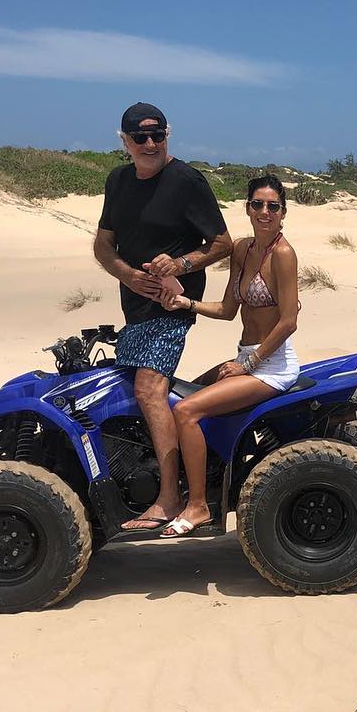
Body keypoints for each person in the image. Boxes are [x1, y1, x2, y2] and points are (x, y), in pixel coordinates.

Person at [92, 102, 233, 532]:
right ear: (125, 142)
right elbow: (103, 247)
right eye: (141, 138)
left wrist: (182, 264)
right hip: (134, 307)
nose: (150, 144)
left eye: (159, 136)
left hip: (174, 307)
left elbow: (223, 243)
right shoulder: (118, 181)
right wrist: (130, 277)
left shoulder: (187, 181)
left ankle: (172, 499)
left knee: (149, 388)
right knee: (133, 392)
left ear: (168, 135)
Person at [155, 175, 302, 538]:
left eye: (273, 206)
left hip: (271, 367)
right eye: (257, 204)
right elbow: (226, 309)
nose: (264, 212)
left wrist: (246, 366)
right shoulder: (242, 249)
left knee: (186, 411)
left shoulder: (283, 254)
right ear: (247, 208)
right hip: (246, 356)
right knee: (177, 390)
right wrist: (185, 303)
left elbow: (288, 322)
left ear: (283, 213)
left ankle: (198, 505)